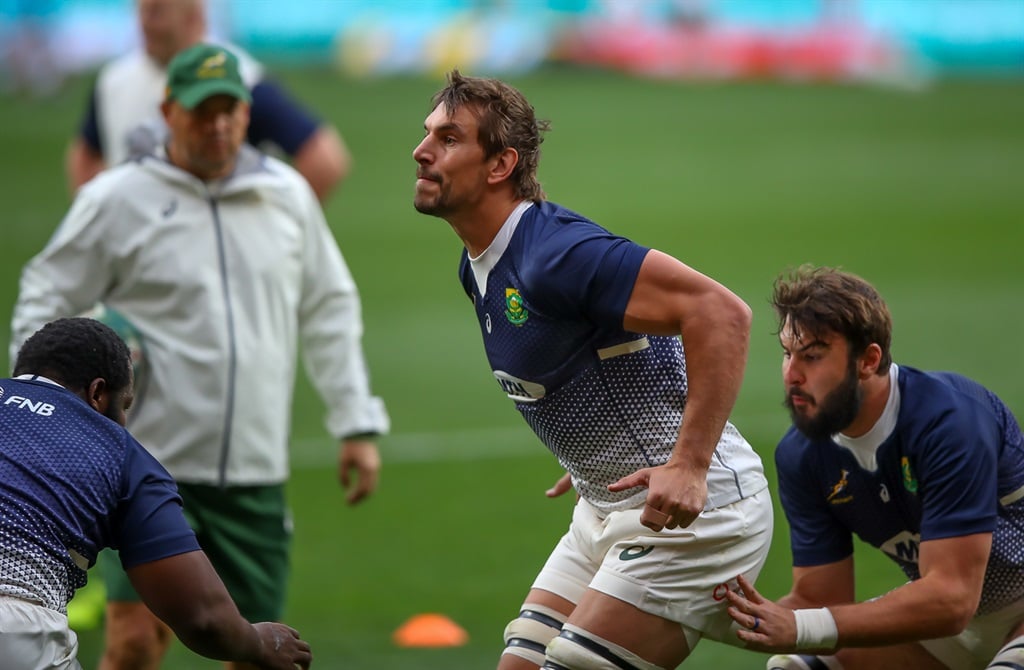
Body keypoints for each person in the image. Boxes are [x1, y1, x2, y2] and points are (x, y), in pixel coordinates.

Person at [11, 43, 389, 670]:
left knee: (263, 653)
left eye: (230, 110)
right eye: (201, 111)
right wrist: (44, 415)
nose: (217, 125)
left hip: (255, 470)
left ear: (248, 113)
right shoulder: (117, 196)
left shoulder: (286, 195)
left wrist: (355, 420)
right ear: (168, 110)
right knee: (134, 644)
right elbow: (45, 296)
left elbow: (329, 304)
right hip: (152, 468)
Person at [411, 69, 773, 670]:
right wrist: (589, 453)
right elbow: (582, 361)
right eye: (428, 134)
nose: (421, 151)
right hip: (607, 505)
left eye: (448, 139)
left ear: (500, 165)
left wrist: (688, 464)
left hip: (697, 516)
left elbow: (721, 312)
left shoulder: (556, 253)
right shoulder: (478, 263)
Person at [725, 265, 1024, 670]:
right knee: (795, 665)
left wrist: (799, 625)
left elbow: (952, 598)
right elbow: (819, 599)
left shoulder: (949, 423)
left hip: (991, 614)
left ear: (868, 360)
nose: (792, 375)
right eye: (786, 353)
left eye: (812, 356)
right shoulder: (803, 454)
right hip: (953, 632)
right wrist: (701, 605)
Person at [0, 317, 312, 670]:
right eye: (125, 405)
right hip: (17, 634)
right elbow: (203, 619)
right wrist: (259, 642)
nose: (123, 422)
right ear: (98, 393)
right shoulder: (120, 454)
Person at [64, 0, 350, 202]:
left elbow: (325, 158)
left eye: (157, 11)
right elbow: (85, 155)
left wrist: (275, 228)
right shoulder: (114, 81)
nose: (145, 22)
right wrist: (100, 226)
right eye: (141, 10)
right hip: (137, 270)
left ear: (193, 17)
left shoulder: (241, 80)